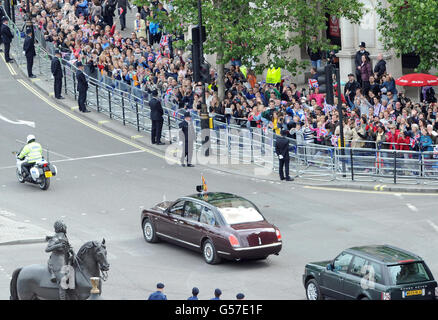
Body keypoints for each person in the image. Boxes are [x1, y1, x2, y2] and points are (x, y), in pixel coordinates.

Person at [45, 220, 74, 300]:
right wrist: (58, 245)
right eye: (64, 226)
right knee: (63, 281)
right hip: (57, 260)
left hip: (65, 258)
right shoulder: (56, 238)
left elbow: (66, 247)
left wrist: (70, 250)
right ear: (61, 227)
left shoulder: (64, 236)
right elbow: (47, 249)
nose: (66, 228)